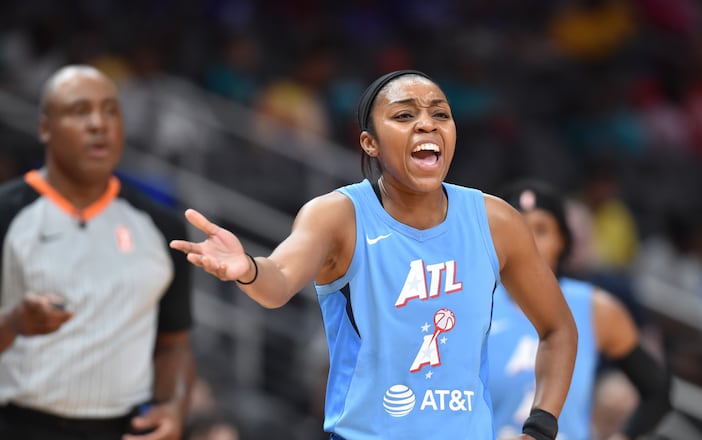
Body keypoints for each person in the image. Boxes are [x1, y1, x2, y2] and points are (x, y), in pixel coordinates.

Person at [170, 70, 578, 440]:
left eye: (440, 114)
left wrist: (540, 428)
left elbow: (558, 328)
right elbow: (278, 280)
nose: (426, 124)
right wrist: (248, 269)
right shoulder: (338, 215)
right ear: (370, 142)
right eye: (403, 116)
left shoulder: (495, 221)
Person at [0, 64, 195, 440]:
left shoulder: (161, 225)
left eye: (110, 111)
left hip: (122, 428)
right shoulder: (7, 214)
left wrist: (173, 409)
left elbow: (174, 345)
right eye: (79, 111)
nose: (98, 124)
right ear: (44, 127)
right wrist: (13, 323)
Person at [487, 179, 671, 440]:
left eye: (541, 230)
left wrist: (625, 435)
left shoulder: (595, 307)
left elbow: (657, 389)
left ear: (563, 240)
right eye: (517, 229)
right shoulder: (474, 300)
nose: (527, 241)